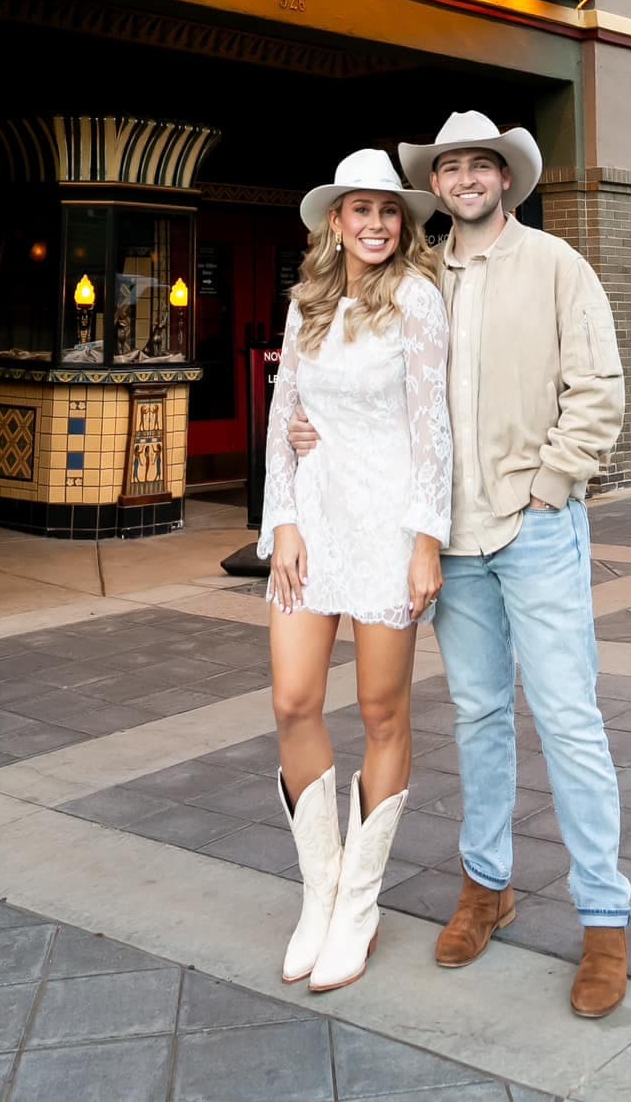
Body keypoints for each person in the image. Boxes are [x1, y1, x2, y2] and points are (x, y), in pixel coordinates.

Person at [289, 110, 631, 1019]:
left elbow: (599, 390)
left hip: (535, 530)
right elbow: (365, 383)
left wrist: (552, 488)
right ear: (433, 187)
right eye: (451, 168)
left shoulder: (560, 266)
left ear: (506, 181)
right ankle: (488, 888)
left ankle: (604, 921)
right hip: (450, 544)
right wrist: (308, 428)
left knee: (568, 718)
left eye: (483, 166)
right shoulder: (414, 276)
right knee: (477, 716)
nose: (467, 179)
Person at [258, 148, 452, 995]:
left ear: (401, 223)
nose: (374, 225)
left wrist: (425, 540)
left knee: (381, 709)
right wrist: (286, 521)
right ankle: (321, 891)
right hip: (317, 519)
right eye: (359, 210)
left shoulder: (417, 299)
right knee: (293, 699)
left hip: (387, 524)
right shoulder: (307, 303)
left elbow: (432, 427)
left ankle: (361, 905)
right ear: (334, 221)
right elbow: (282, 421)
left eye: (387, 212)